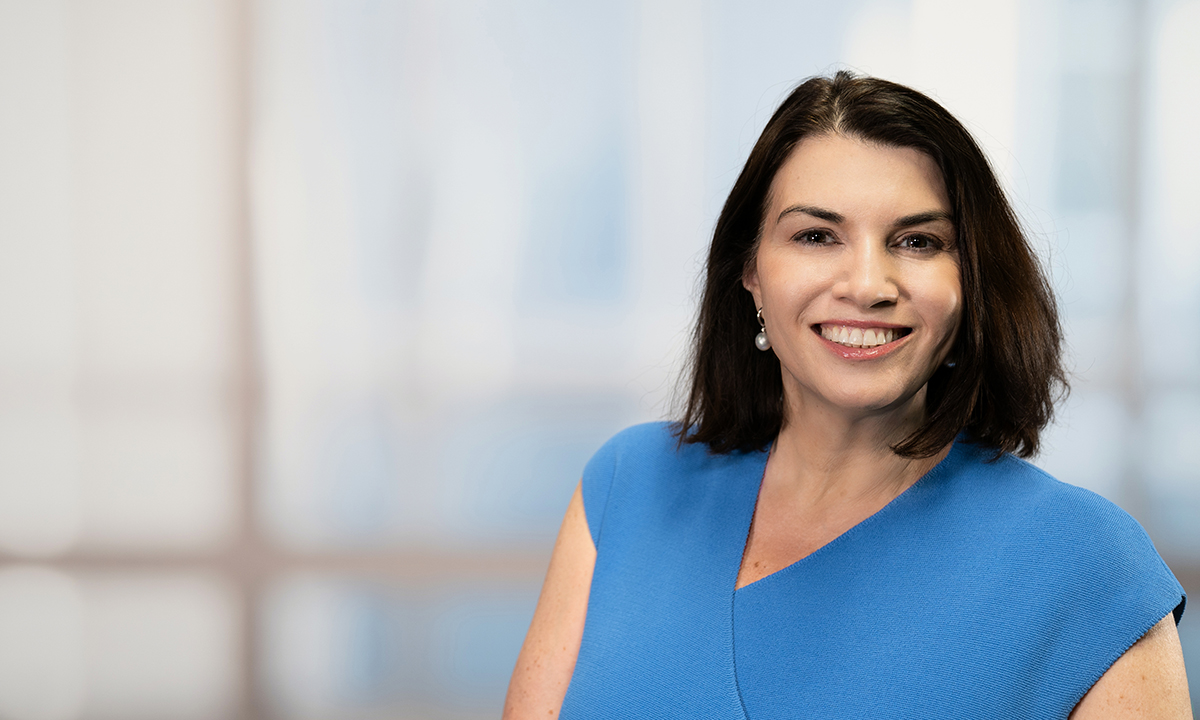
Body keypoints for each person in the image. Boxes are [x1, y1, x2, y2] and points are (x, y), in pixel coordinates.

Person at [503, 72, 1191, 719]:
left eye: (918, 241)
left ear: (970, 281)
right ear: (750, 273)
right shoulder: (628, 486)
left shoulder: (1089, 566)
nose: (868, 284)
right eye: (816, 236)